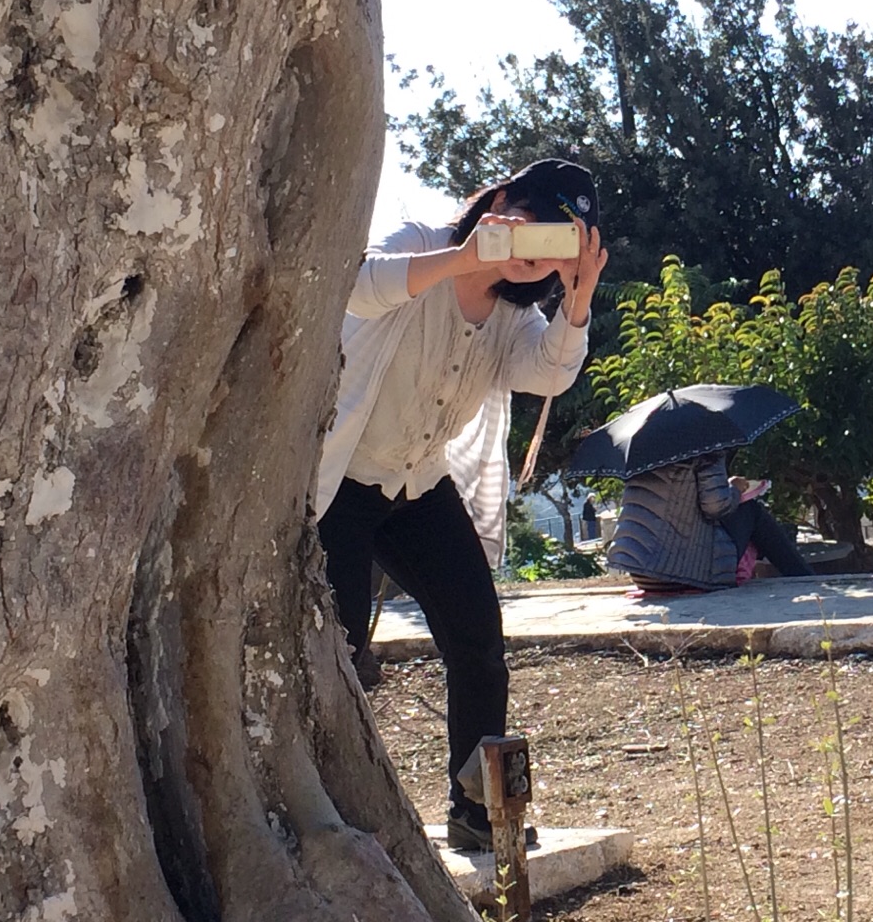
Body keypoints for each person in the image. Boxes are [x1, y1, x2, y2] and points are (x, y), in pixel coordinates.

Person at [313, 158, 606, 851]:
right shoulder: (421, 244)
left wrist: (578, 301)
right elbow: (356, 286)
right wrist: (463, 259)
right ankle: (325, 808)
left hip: (418, 486)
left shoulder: (517, 316)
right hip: (340, 481)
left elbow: (548, 375)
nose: (536, 256)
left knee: (478, 638)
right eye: (533, 229)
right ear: (500, 202)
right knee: (336, 645)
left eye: (559, 245)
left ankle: (479, 811)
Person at [606, 451, 815, 593]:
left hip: (643, 575)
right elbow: (716, 507)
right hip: (685, 575)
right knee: (751, 511)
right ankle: (804, 578)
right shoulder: (706, 452)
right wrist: (734, 488)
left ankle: (802, 575)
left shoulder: (640, 456)